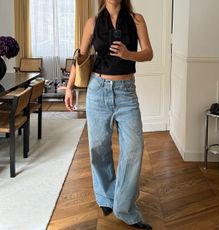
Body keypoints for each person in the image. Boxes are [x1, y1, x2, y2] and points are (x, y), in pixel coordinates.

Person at [65, 0, 153, 229]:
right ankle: (106, 197)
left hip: (126, 93)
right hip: (98, 91)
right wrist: (69, 87)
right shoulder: (93, 22)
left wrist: (128, 54)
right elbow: (81, 55)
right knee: (99, 148)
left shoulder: (137, 19)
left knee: (134, 148)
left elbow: (148, 53)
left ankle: (124, 207)